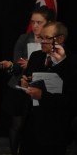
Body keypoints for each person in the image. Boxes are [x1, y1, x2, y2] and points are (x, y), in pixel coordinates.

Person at [0, 6, 55, 155]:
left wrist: (33, 63)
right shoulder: (23, 39)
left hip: (42, 89)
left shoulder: (54, 42)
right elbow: (17, 65)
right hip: (20, 88)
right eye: (33, 22)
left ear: (48, 23)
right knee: (17, 124)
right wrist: (11, 65)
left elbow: (56, 65)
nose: (35, 26)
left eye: (39, 22)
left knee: (38, 125)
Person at [19, 21, 77, 155]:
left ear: (60, 39)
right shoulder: (36, 56)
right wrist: (25, 85)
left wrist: (43, 96)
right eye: (41, 37)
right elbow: (27, 78)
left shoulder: (72, 62)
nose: (42, 42)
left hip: (55, 128)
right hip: (31, 125)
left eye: (47, 38)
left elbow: (72, 99)